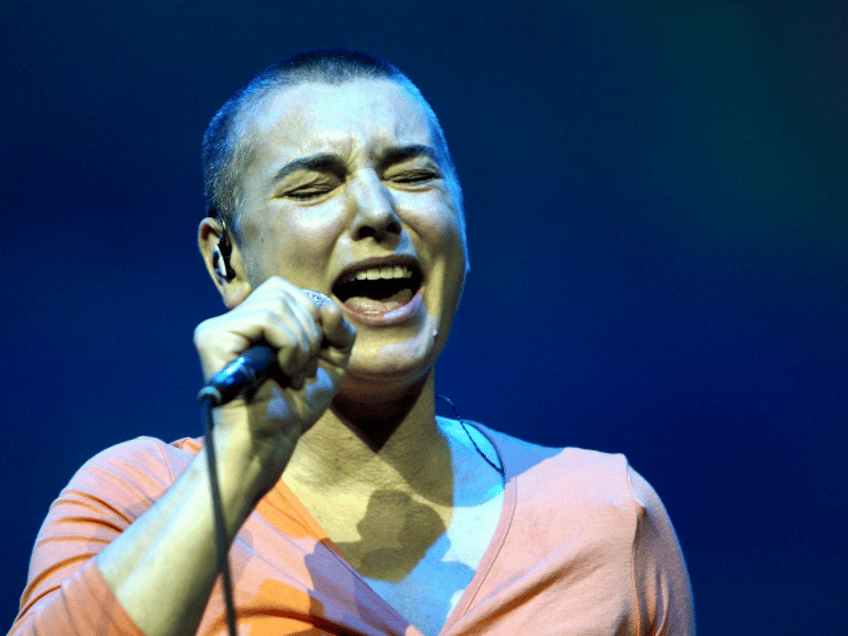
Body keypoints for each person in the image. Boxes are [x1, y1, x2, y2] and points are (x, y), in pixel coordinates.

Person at [9, 49, 695, 636]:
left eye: (413, 176)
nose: (378, 212)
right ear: (226, 260)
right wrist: (235, 465)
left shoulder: (605, 515)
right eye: (314, 187)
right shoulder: (135, 500)